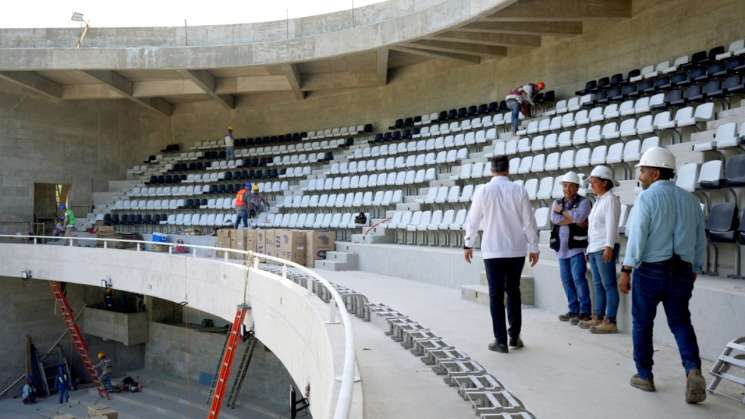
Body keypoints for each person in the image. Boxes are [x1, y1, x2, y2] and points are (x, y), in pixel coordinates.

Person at [620, 147, 707, 403]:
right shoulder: (691, 200)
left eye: (643, 170)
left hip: (650, 270)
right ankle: (693, 370)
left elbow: (638, 238)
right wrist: (696, 267)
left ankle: (644, 375)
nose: (640, 174)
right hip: (682, 269)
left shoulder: (646, 199)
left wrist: (626, 269)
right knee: (680, 322)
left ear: (655, 172)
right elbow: (700, 239)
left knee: (642, 323)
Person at [463, 156, 540, 354]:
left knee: (496, 295)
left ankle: (500, 341)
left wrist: (468, 243)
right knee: (513, 291)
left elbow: (473, 220)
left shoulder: (483, 191)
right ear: (508, 169)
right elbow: (529, 221)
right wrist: (534, 247)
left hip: (493, 250)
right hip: (516, 249)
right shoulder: (519, 189)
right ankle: (514, 336)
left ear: (491, 169)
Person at [551, 171, 592, 325]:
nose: (566, 189)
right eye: (565, 185)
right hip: (561, 249)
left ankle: (585, 311)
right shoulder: (557, 201)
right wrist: (572, 218)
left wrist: (563, 212)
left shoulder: (584, 202)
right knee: (567, 280)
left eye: (570, 186)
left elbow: (580, 218)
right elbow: (554, 220)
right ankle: (573, 309)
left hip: (576, 248)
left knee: (579, 279)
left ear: (577, 187)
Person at [585, 166, 621, 333]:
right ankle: (599, 317)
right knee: (598, 284)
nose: (591, 184)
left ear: (604, 183)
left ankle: (611, 320)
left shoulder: (611, 199)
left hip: (604, 247)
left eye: (594, 181)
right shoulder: (599, 200)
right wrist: (588, 249)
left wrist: (609, 246)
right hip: (595, 247)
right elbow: (593, 228)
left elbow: (612, 225)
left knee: (608, 285)